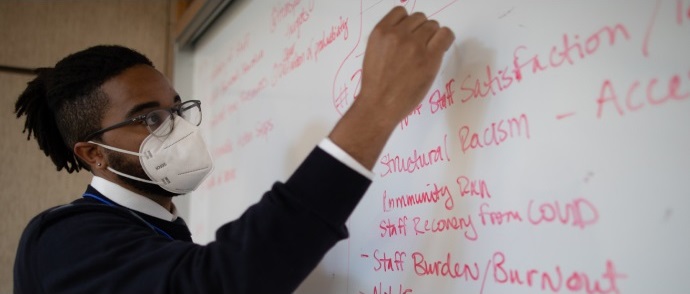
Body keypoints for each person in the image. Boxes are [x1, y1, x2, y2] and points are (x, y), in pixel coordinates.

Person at [13, 6, 454, 294]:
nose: (178, 128)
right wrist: (375, 108)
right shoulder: (61, 240)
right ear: (93, 154)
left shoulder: (157, 228)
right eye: (150, 118)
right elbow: (218, 282)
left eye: (177, 109)